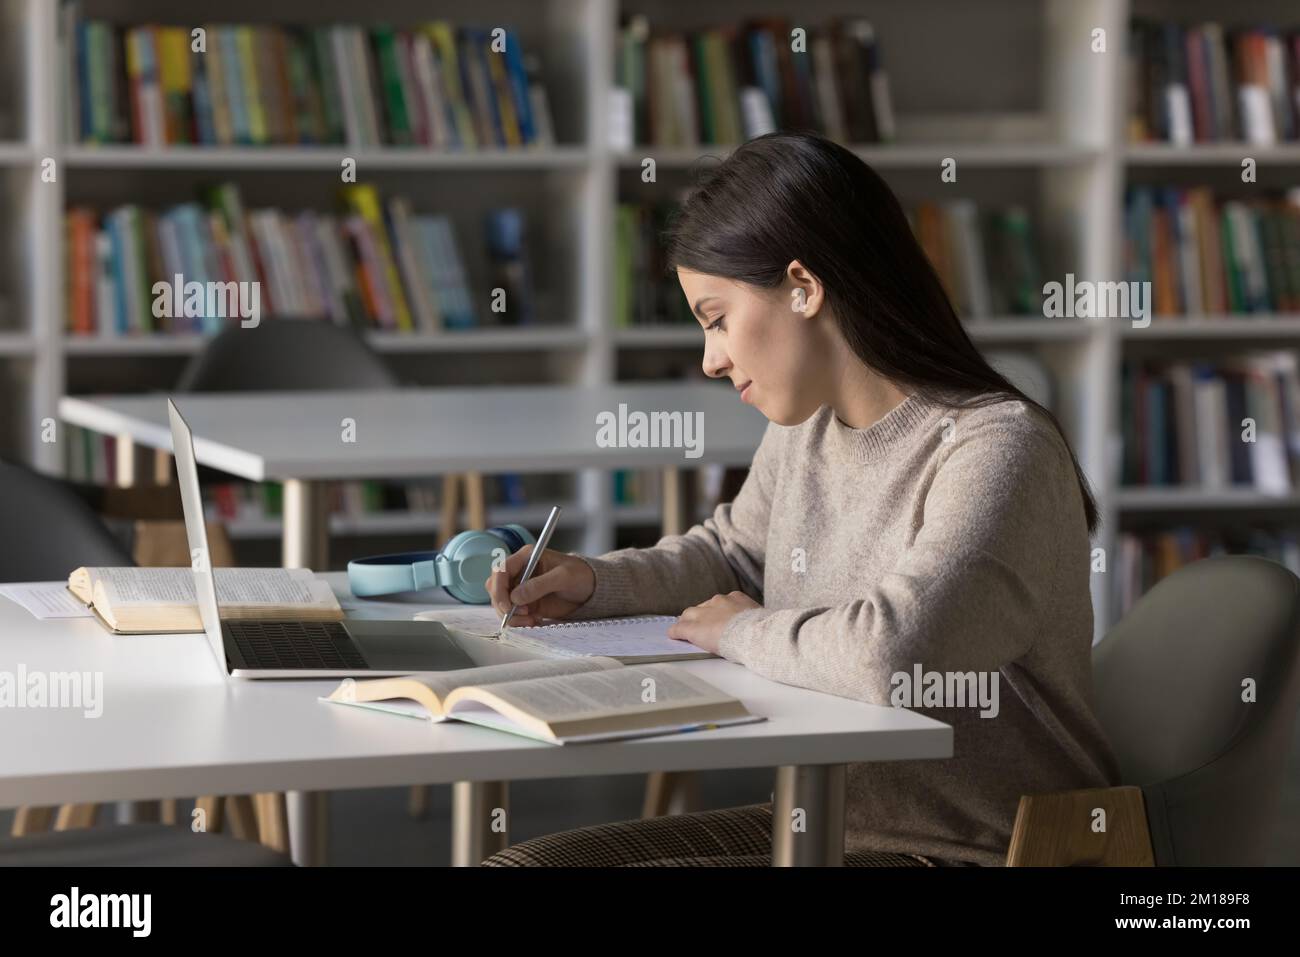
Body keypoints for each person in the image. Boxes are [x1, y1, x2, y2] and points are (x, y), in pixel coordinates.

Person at [482, 130, 1121, 867]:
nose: (710, 359)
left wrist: (741, 632)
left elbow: (898, 655)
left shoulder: (999, 448)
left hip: (970, 849)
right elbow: (732, 557)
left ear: (803, 286)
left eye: (717, 318)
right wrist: (593, 582)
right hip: (823, 821)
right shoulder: (808, 426)